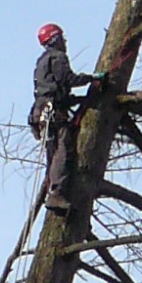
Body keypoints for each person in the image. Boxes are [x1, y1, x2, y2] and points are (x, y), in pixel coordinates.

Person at [29, 22, 90, 204]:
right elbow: (68, 79)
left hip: (41, 111)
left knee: (52, 152)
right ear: (55, 40)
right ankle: (56, 192)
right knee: (63, 149)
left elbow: (56, 90)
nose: (65, 42)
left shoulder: (42, 61)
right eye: (62, 39)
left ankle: (53, 189)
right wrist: (91, 79)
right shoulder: (57, 57)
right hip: (52, 112)